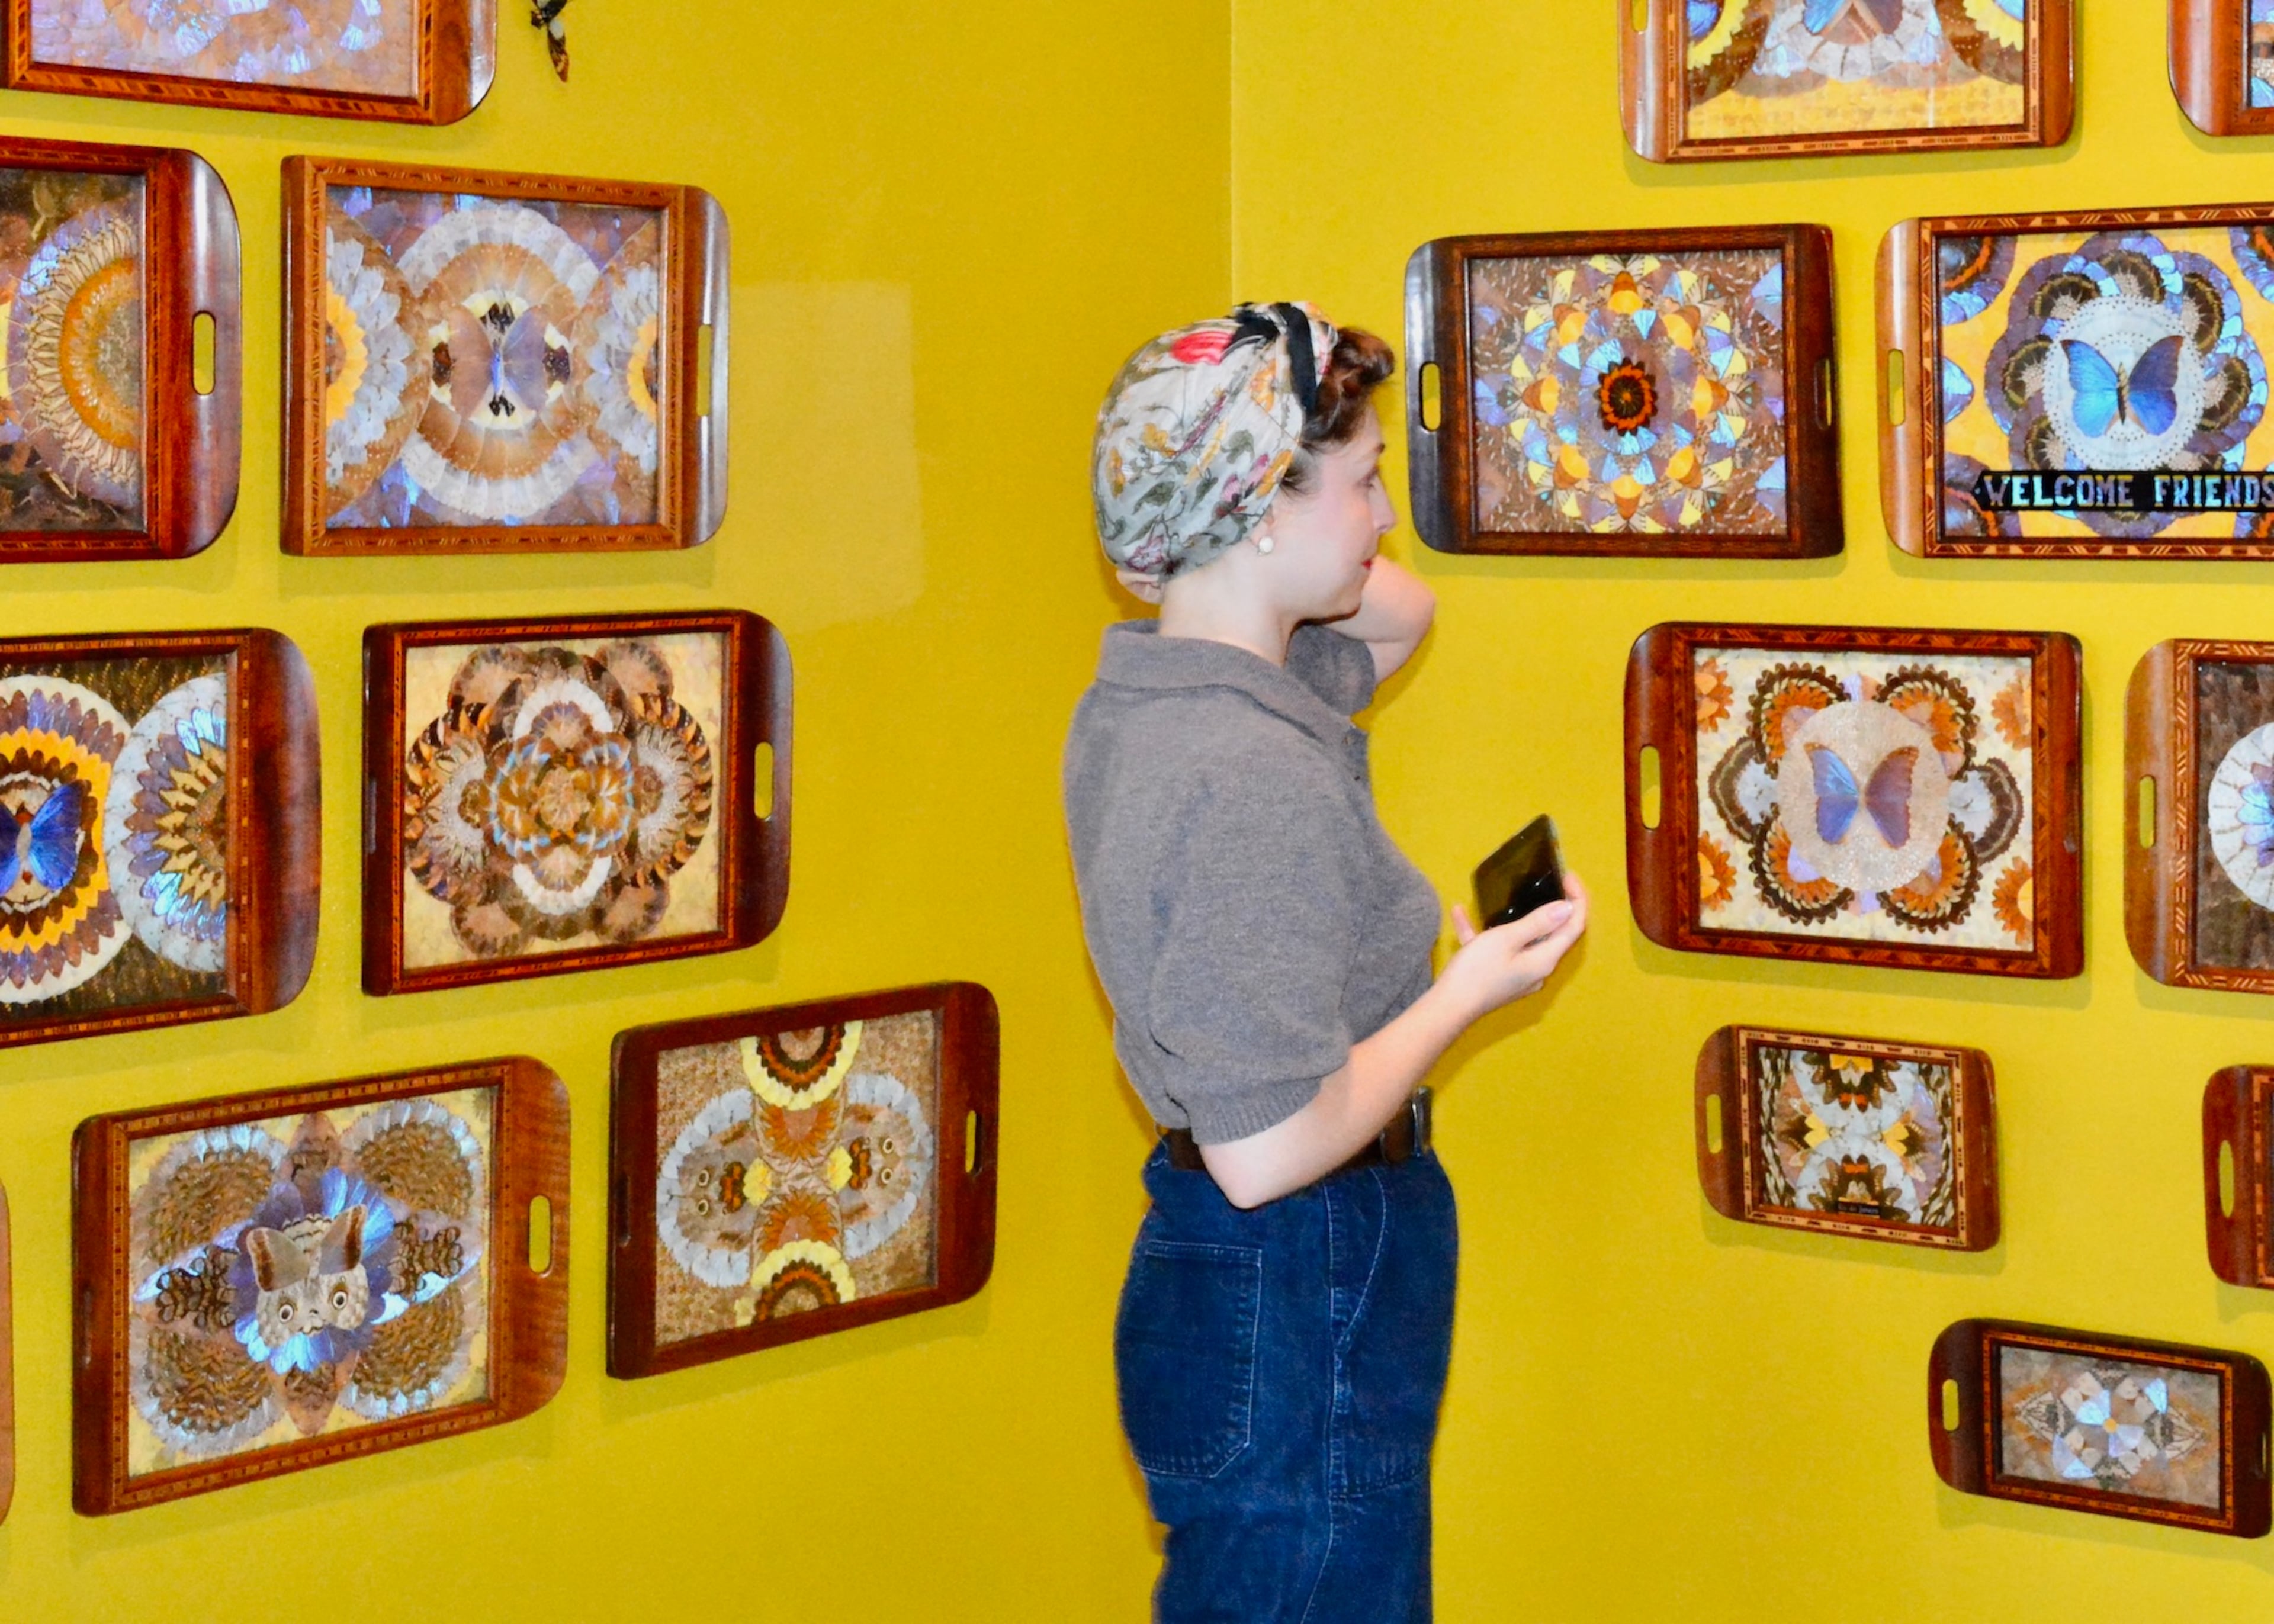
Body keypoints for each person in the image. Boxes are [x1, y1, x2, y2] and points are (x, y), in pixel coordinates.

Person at [1064, 301, 1591, 1622]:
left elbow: (1400, 610)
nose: (1385, 521)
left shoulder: (1164, 688)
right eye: (1364, 486)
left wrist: (1286, 401)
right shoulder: (1249, 769)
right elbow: (1267, 1148)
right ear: (1257, 510)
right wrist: (1464, 994)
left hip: (1242, 1281)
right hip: (1297, 1274)